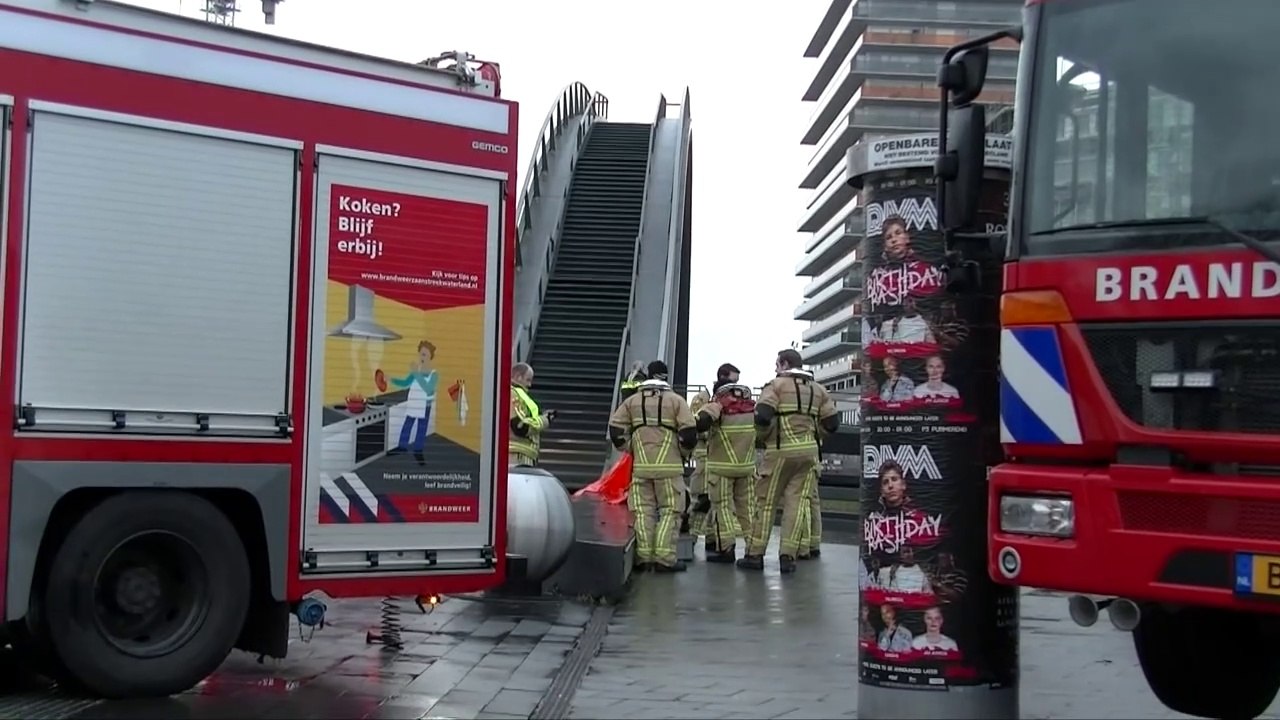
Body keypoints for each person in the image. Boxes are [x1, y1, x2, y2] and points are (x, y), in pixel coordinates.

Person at [739, 349, 839, 574]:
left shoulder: (775, 386)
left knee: (765, 504)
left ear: (785, 364)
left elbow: (763, 416)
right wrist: (816, 436)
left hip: (780, 452)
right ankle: (788, 556)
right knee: (796, 504)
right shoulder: (818, 389)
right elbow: (832, 423)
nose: (775, 369)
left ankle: (755, 554)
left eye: (777, 364)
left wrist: (764, 437)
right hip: (809, 454)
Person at [608, 360, 697, 573]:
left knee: (642, 512)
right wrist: (682, 454)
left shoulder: (632, 402)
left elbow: (615, 428)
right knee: (671, 511)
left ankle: (643, 558)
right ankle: (664, 558)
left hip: (641, 468)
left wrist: (630, 448)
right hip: (670, 468)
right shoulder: (676, 401)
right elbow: (689, 433)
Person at [695, 378, 756, 563]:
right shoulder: (751, 408)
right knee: (748, 510)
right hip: (746, 467)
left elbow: (700, 423)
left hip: (721, 468)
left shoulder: (717, 405)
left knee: (723, 508)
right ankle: (754, 551)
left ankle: (727, 548)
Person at [687, 363, 741, 547]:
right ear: (722, 377)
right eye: (732, 381)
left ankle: (712, 539)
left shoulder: (732, 402)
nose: (735, 386)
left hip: (722, 455)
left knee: (717, 501)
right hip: (705, 455)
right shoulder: (703, 399)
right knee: (701, 500)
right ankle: (690, 539)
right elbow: (694, 426)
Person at [390, 340, 439, 464]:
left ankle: (418, 451)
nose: (422, 357)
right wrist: (390, 379)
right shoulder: (415, 372)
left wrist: (416, 373)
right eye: (421, 354)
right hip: (413, 403)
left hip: (425, 405)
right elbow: (404, 383)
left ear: (430, 357)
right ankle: (402, 447)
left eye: (425, 355)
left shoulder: (434, 374)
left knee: (421, 429)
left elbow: (428, 389)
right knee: (407, 425)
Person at [508, 362, 554, 467]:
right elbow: (520, 426)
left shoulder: (517, 395)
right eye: (528, 380)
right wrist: (544, 420)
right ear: (518, 377)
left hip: (522, 455)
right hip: (517, 456)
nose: (530, 385)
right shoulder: (512, 394)